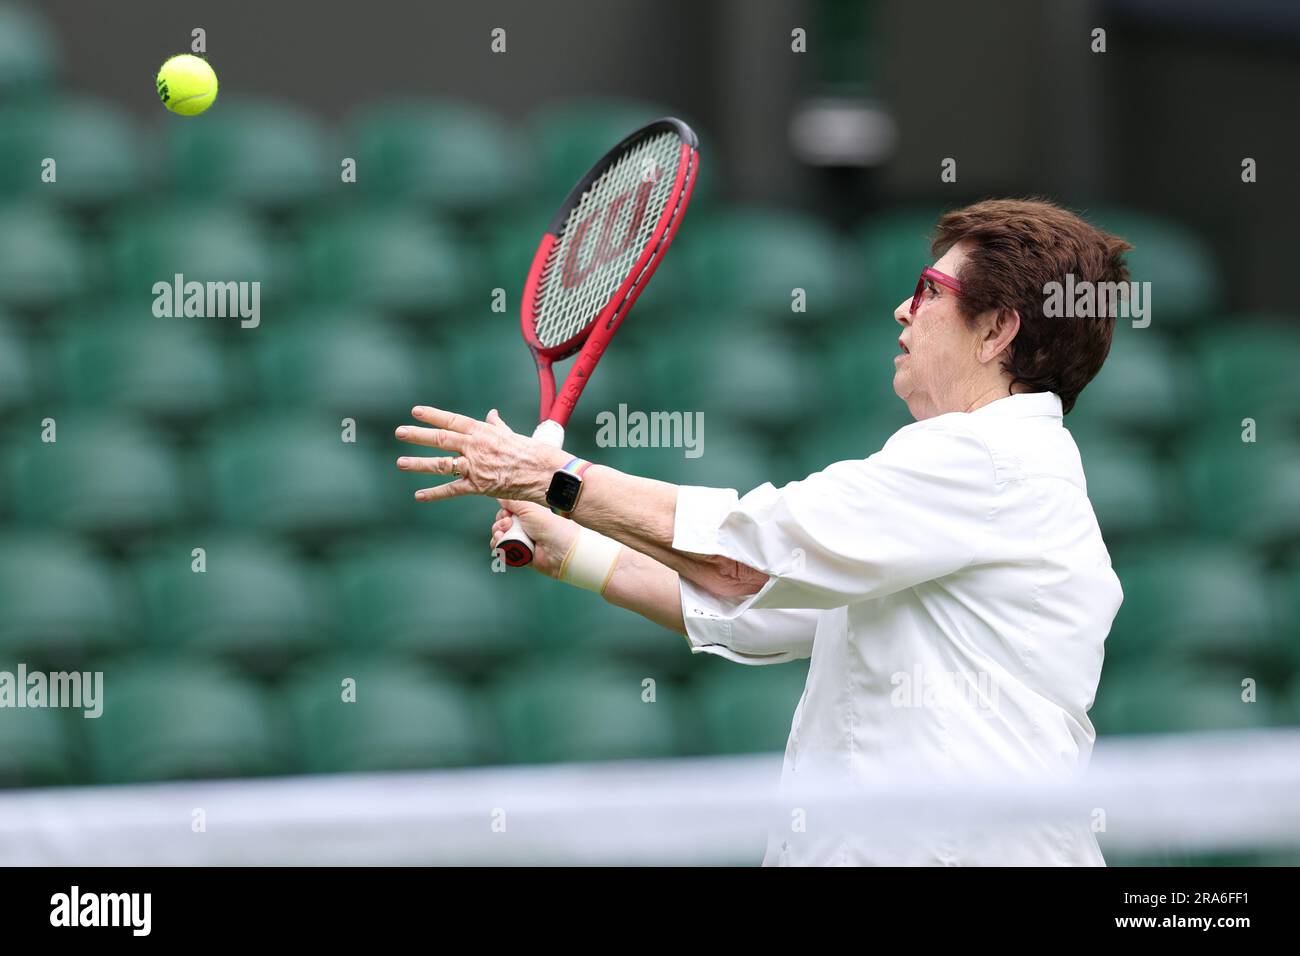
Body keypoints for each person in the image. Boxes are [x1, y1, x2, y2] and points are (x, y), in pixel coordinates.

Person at [395, 198, 1132, 865]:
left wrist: (551, 477)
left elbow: (746, 551)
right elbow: (759, 600)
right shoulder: (982, 479)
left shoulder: (987, 460)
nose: (904, 312)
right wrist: (574, 550)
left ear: (997, 330)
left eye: (930, 291)